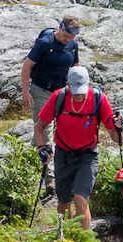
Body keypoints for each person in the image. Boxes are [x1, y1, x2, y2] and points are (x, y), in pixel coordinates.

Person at [33, 66, 123, 230]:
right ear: (67, 84)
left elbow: (116, 138)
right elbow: (39, 127)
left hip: (87, 156)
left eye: (81, 91)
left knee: (80, 198)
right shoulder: (59, 97)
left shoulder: (98, 99)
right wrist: (41, 148)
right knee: (63, 201)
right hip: (63, 155)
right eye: (75, 92)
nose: (79, 96)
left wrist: (119, 127)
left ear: (88, 84)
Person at [21, 16, 81, 151]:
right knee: (45, 127)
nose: (67, 40)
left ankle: (32, 161)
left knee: (57, 128)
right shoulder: (45, 43)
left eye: (71, 38)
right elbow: (27, 65)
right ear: (60, 27)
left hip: (61, 92)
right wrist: (26, 92)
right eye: (66, 36)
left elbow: (76, 67)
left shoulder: (73, 45)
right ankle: (48, 170)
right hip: (41, 90)